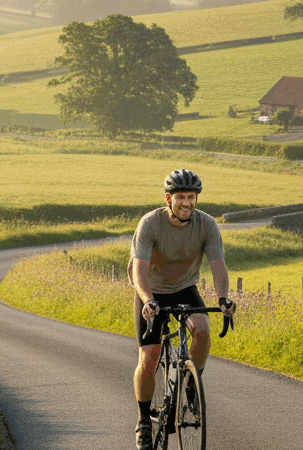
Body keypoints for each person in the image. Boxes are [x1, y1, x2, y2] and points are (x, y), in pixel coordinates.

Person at [128, 168, 236, 450]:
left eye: (191, 197)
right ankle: (142, 421)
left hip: (185, 287)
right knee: (149, 359)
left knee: (202, 329)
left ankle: (190, 382)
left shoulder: (206, 225)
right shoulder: (150, 224)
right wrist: (148, 300)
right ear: (168, 198)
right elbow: (138, 269)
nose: (186, 202)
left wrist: (223, 297)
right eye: (180, 197)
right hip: (151, 289)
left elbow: (218, 265)